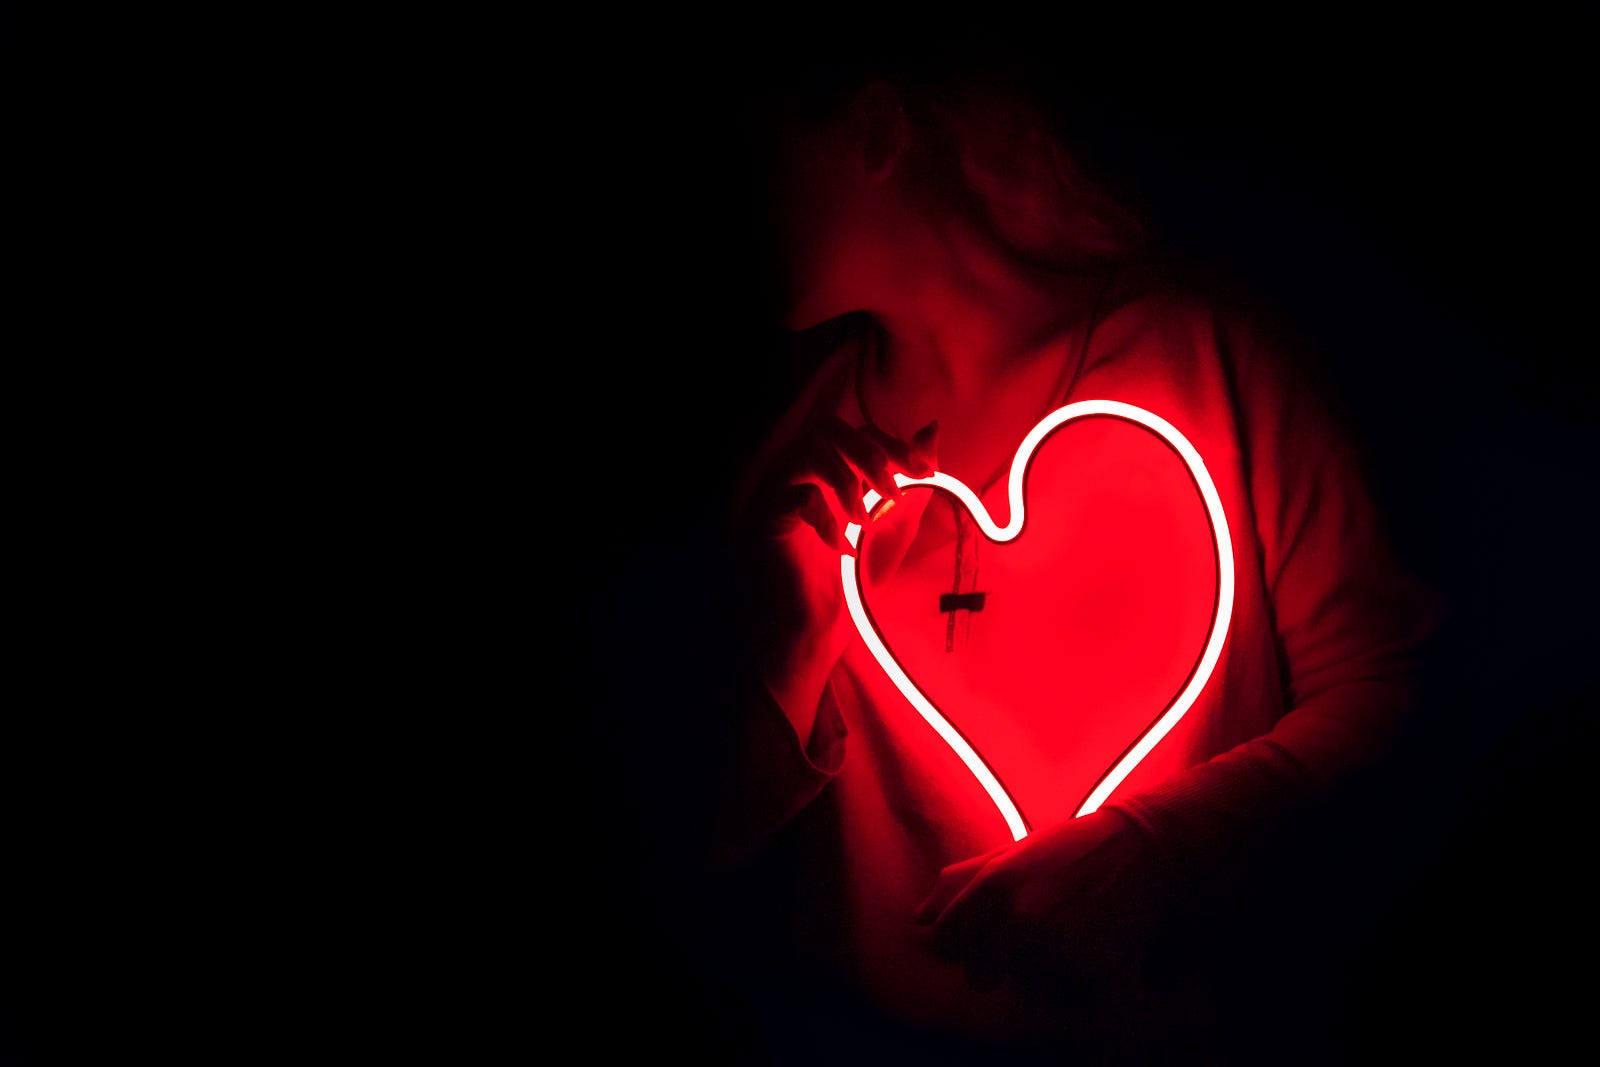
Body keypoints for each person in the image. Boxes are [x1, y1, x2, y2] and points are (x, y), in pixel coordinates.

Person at [659, 69, 1438, 1062]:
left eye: (753, 130)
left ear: (875, 125)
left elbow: (1395, 686)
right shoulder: (795, 463)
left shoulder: (1203, 353)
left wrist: (1160, 847)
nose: (720, 175)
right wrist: (784, 649)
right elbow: (700, 858)